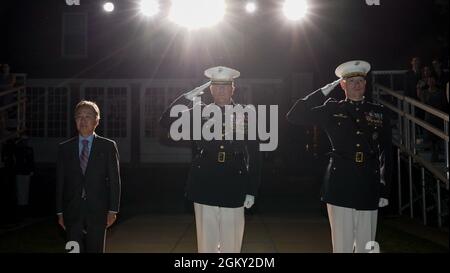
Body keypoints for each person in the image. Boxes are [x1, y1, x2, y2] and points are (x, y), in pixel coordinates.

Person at [286, 60, 392, 253]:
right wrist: (321, 92)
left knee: (366, 246)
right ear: (342, 85)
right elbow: (294, 116)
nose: (357, 85)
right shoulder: (332, 110)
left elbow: (386, 152)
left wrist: (384, 188)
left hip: (369, 183)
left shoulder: (379, 113)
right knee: (342, 246)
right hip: (340, 183)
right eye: (351, 81)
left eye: (361, 80)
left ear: (366, 83)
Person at [160, 66, 261, 253]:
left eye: (226, 86)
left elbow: (254, 156)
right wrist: (186, 99)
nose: (221, 90)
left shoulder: (246, 115)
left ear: (233, 89)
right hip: (204, 182)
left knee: (231, 246)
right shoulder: (199, 113)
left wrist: (251, 190)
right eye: (217, 86)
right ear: (211, 90)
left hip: (235, 183)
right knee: (207, 245)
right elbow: (165, 122)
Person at [56, 100, 121, 253]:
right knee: (73, 250)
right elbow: (60, 182)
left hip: (98, 211)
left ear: (97, 121)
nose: (83, 120)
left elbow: (114, 180)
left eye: (88, 116)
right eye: (79, 116)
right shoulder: (64, 148)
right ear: (75, 120)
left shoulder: (108, 146)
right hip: (72, 211)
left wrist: (113, 210)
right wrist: (59, 212)